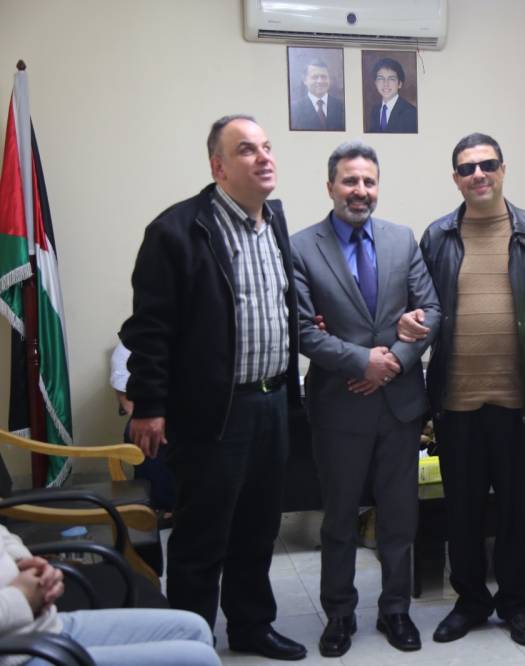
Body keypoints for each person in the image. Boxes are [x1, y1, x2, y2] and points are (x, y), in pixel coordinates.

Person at [119, 115, 306, 661]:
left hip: (273, 402)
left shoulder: (274, 221)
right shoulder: (177, 231)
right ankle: (190, 642)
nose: (264, 157)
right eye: (247, 150)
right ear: (218, 167)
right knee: (203, 538)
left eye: (267, 147)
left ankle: (251, 627)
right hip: (214, 412)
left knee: (258, 530)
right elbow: (149, 329)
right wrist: (149, 404)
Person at [398, 132, 525, 647]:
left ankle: (517, 603)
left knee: (519, 509)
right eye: (467, 168)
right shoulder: (437, 237)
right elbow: (418, 307)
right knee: (463, 510)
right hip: (455, 403)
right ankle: (471, 600)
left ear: (502, 169)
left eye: (487, 164)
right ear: (456, 179)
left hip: (522, 400)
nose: (478, 174)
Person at [290, 141, 440, 657]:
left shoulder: (402, 239)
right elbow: (302, 331)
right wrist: (362, 362)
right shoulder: (301, 247)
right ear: (330, 186)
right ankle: (339, 613)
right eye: (350, 181)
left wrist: (391, 361)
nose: (360, 190)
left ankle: (395, 610)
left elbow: (431, 311)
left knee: (399, 516)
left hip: (399, 407)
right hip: (338, 406)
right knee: (339, 519)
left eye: (369, 181)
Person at [0, 525, 220, 666]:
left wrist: (24, 562)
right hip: (16, 653)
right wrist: (22, 597)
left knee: (194, 629)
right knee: (200, 660)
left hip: (41, 626)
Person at [109, 341, 175, 516]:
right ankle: (159, 509)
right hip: (149, 416)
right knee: (151, 435)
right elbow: (125, 398)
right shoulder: (130, 344)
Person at [290, 60, 346, 131]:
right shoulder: (294, 109)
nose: (320, 81)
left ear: (329, 79)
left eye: (324, 77)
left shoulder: (341, 106)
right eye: (315, 77)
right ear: (305, 80)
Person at [366, 57, 417, 133]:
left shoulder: (411, 113)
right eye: (381, 78)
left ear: (400, 84)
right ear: (375, 83)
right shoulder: (375, 110)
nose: (385, 84)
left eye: (391, 79)